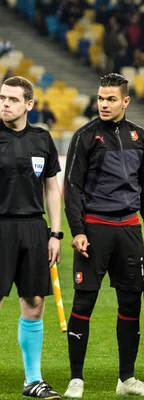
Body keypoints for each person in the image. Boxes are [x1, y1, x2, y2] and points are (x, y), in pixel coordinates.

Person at [63, 73, 144, 398]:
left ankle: (127, 380)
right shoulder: (85, 136)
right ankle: (76, 378)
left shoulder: (141, 137)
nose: (103, 104)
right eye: (100, 99)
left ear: (125, 101)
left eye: (110, 99)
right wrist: (77, 230)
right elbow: (73, 187)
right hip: (95, 229)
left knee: (131, 301)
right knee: (85, 300)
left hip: (130, 229)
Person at [0, 76, 62, 399]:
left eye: (12, 99)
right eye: (1, 98)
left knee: (35, 303)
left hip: (34, 228)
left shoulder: (42, 139)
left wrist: (56, 232)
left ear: (29, 104)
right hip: (0, 226)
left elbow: (52, 188)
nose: (5, 104)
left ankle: (33, 379)